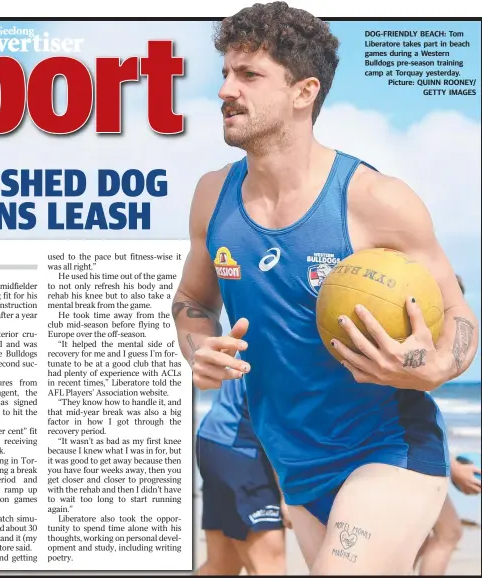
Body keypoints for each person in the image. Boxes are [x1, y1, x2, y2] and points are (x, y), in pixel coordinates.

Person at [171, 2, 479, 574]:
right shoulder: (212, 196)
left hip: (388, 446)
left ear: (303, 91)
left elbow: (457, 311)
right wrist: (199, 347)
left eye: (249, 75)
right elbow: (192, 302)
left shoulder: (375, 199)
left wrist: (433, 369)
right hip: (294, 461)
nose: (224, 90)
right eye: (225, 73)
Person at [415, 275, 482, 575]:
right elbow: (410, 420)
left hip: (403, 459)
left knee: (415, 542)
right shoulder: (417, 358)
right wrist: (453, 466)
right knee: (448, 533)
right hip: (407, 461)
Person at [195, 370, 288, 575]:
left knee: (223, 565)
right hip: (241, 451)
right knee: (269, 567)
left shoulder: (252, 339)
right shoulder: (281, 347)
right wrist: (286, 496)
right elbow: (275, 431)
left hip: (213, 441)